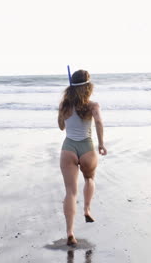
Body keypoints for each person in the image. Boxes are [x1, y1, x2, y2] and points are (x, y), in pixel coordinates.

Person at [58, 69, 107, 246]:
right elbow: (99, 123)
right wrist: (101, 144)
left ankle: (70, 233)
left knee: (70, 192)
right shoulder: (93, 105)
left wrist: (67, 112)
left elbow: (61, 127)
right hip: (87, 147)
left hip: (68, 148)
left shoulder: (64, 105)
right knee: (89, 179)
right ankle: (87, 209)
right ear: (88, 87)